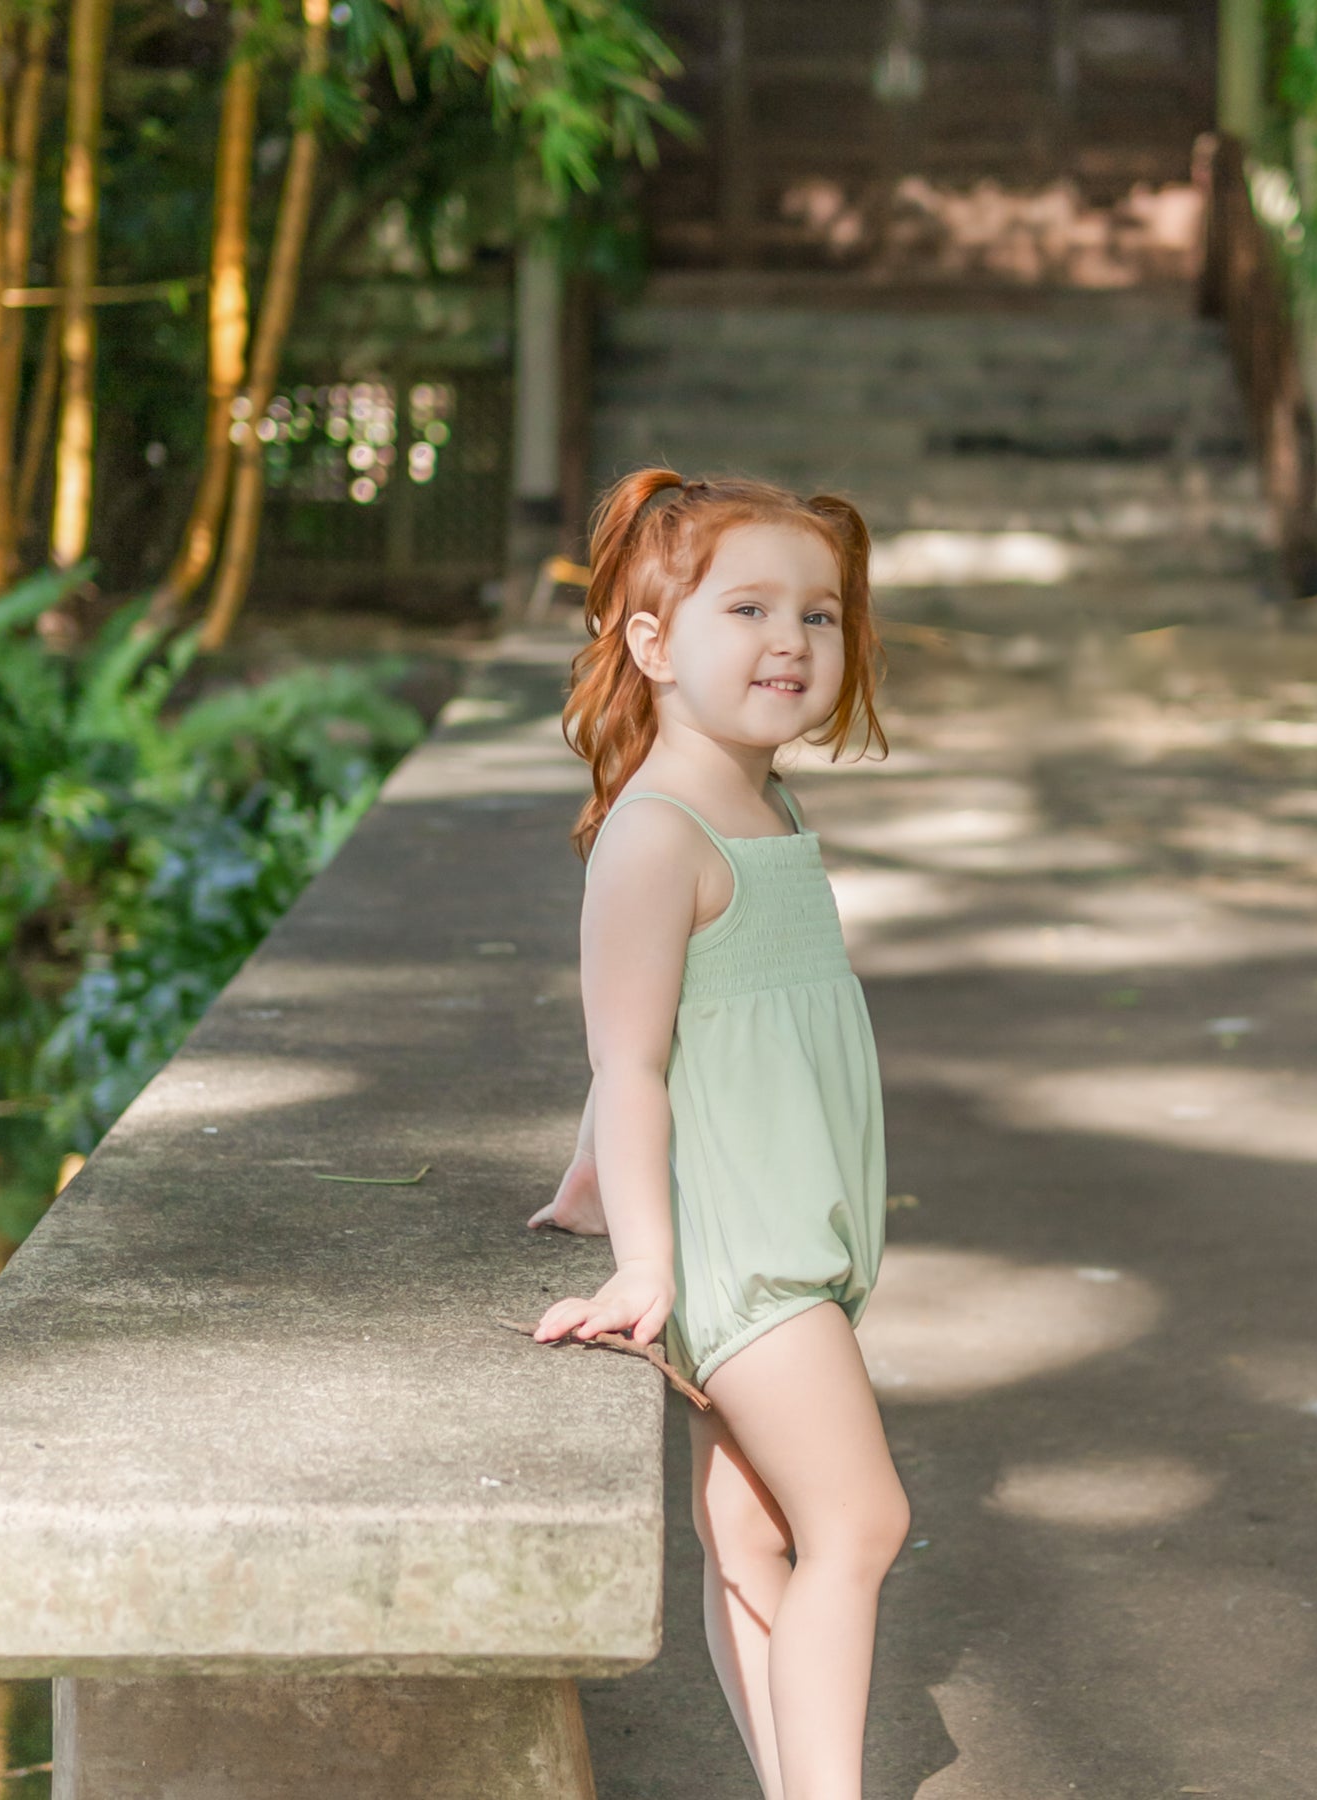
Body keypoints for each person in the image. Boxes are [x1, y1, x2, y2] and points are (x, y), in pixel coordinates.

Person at [526, 467, 909, 1800]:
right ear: (650, 641)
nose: (791, 644)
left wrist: (580, 1178)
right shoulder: (658, 835)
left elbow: (672, 1034)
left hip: (784, 1226)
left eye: (818, 615)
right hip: (739, 1252)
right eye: (747, 608)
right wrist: (643, 1263)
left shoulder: (762, 806)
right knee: (860, 1520)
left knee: (751, 1536)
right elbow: (623, 1059)